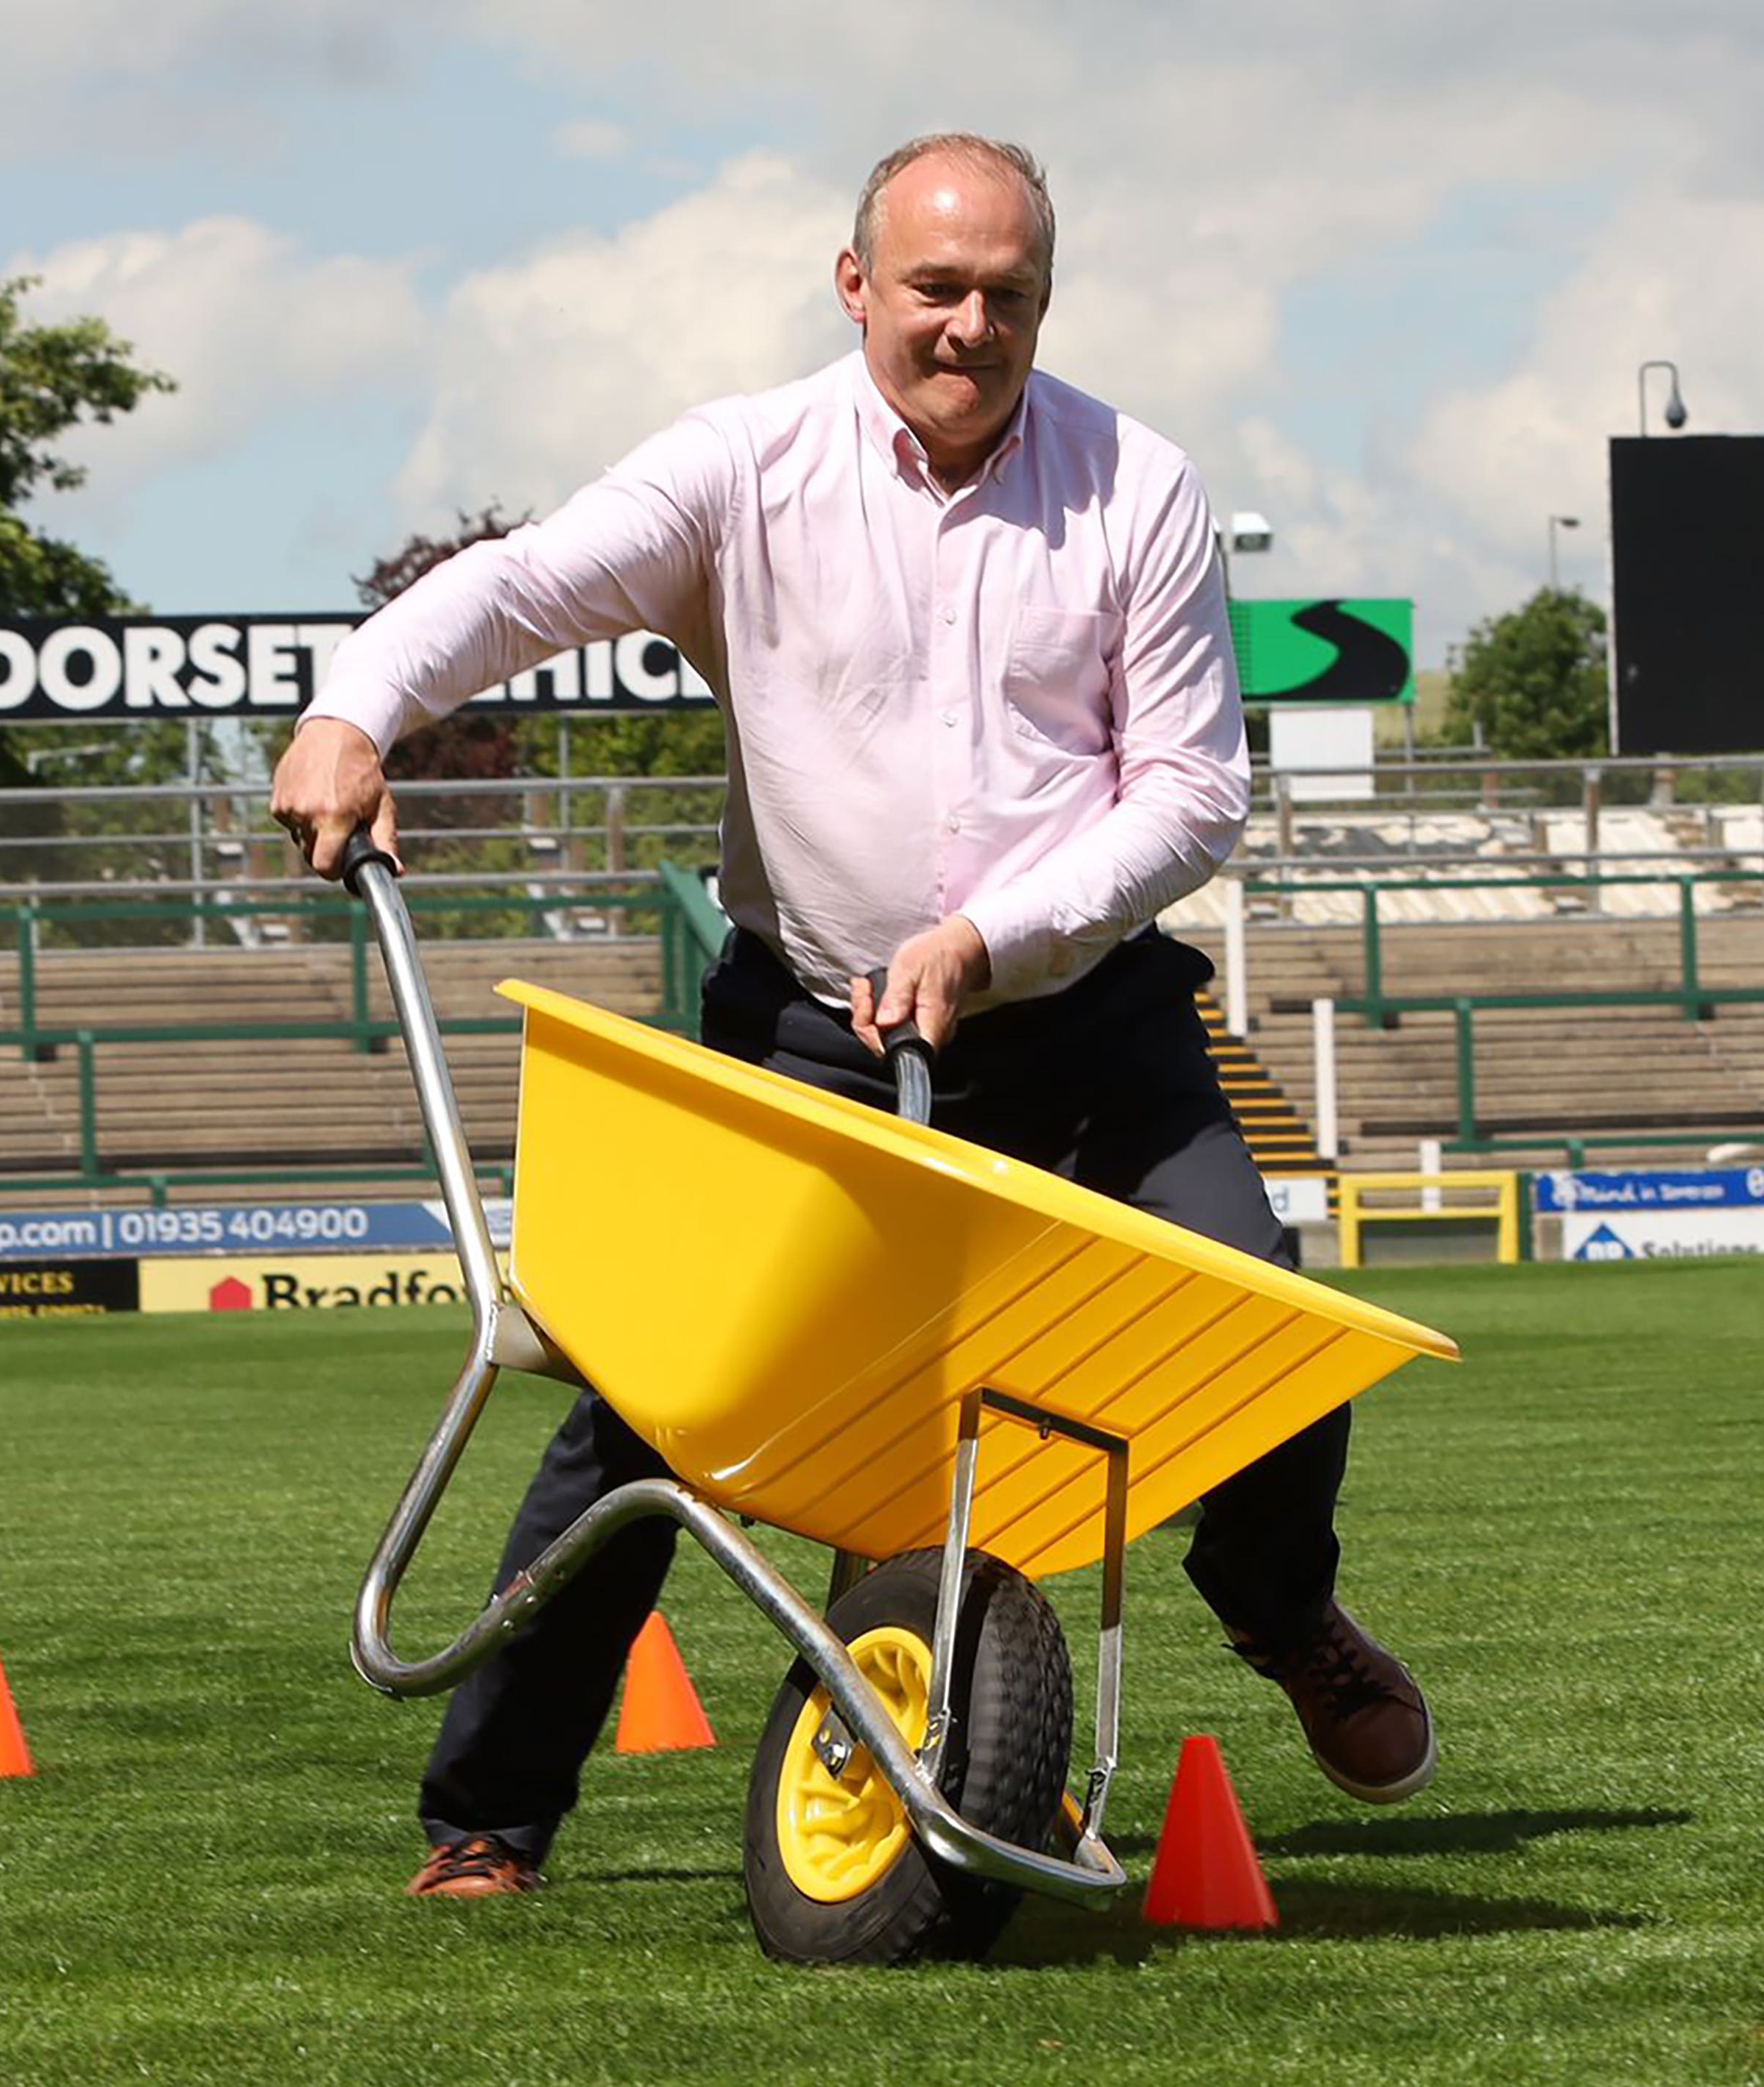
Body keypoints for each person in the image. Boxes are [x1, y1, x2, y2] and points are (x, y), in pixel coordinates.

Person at [271, 133, 1434, 1900]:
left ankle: (1280, 1615)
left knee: (1260, 1321)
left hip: (1084, 1033)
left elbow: (1193, 796)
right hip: (801, 1028)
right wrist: (357, 709)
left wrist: (988, 932)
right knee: (638, 1408)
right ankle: (491, 1816)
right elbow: (519, 584)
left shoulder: (1138, 485)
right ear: (854, 285)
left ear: (1046, 300)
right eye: (934, 289)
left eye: (1007, 297)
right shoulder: (742, 468)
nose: (969, 327)